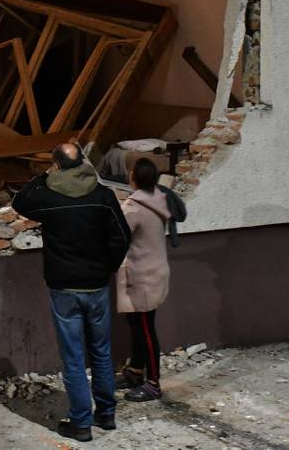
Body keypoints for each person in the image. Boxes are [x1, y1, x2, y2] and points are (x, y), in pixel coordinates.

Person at [12, 143, 131, 443]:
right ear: (83, 163)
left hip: (64, 287)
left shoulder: (48, 196)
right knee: (101, 352)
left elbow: (19, 202)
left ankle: (81, 423)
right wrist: (107, 267)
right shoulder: (103, 195)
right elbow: (122, 235)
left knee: (74, 357)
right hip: (96, 286)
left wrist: (43, 176)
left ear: (56, 165)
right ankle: (106, 414)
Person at [115, 157, 172, 402]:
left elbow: (117, 234)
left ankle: (153, 384)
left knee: (145, 330)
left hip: (143, 275)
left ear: (134, 178)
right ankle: (135, 372)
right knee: (138, 325)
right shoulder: (159, 198)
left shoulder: (134, 207)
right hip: (155, 270)